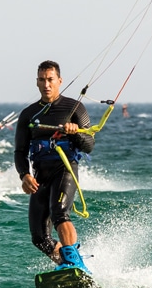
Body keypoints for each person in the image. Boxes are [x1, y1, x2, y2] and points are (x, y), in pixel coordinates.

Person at [14, 60, 95, 272]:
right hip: (40, 175)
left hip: (64, 170)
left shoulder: (75, 108)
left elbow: (89, 146)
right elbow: (19, 152)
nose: (46, 84)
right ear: (37, 82)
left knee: (59, 212)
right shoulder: (28, 114)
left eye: (50, 79)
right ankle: (66, 267)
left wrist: (75, 132)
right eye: (42, 80)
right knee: (39, 237)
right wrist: (24, 175)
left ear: (59, 81)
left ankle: (75, 263)